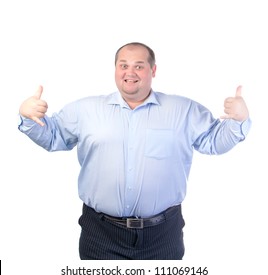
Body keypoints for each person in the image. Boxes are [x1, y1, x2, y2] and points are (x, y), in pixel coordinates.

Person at [18, 42, 251, 260]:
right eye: (124, 65)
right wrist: (28, 117)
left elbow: (213, 141)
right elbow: (53, 137)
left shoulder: (183, 110)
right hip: (100, 233)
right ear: (115, 69)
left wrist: (239, 120)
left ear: (153, 70)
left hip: (163, 234)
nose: (130, 72)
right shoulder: (84, 110)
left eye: (139, 66)